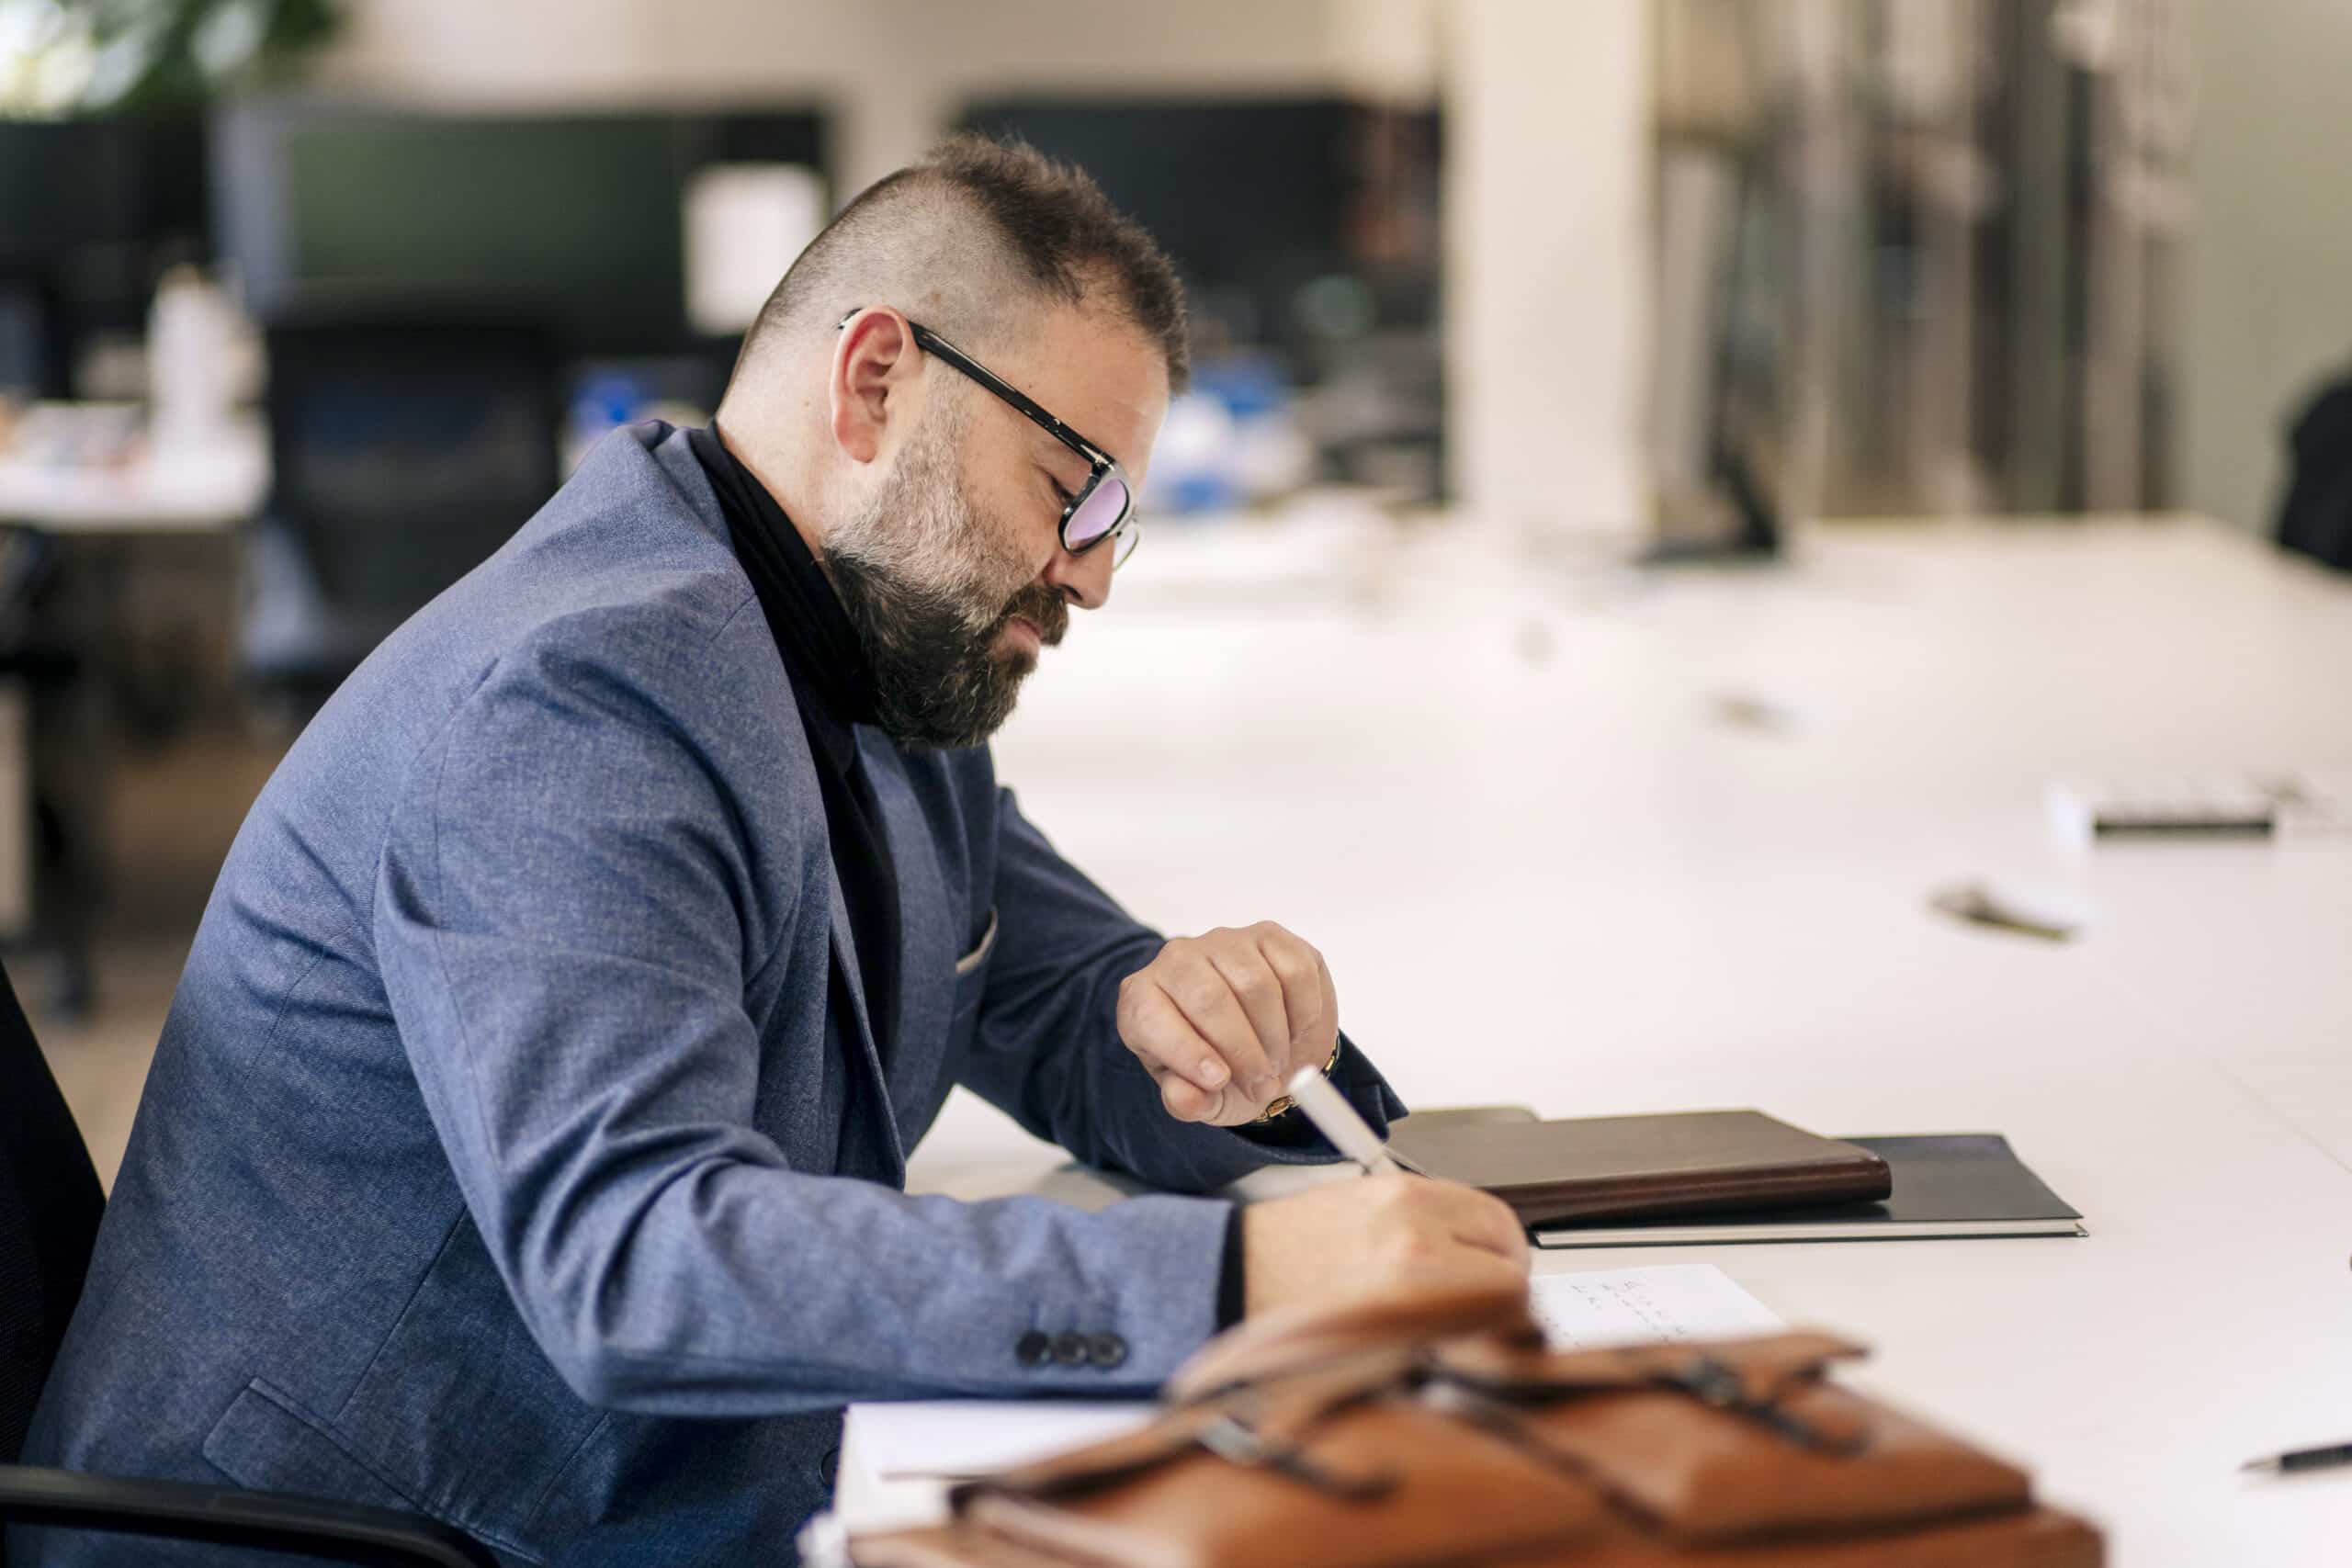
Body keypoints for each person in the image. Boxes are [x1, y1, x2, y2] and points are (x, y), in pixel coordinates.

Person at [17, 136, 1527, 1566]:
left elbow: (1075, 1005)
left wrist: (1230, 1046)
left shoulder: (879, 660)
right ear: (874, 381)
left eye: (1113, 525)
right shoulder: (574, 701)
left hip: (633, 1492)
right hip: (380, 1531)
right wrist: (1243, 1284)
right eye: (1074, 494)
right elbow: (639, 1256)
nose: (1087, 576)